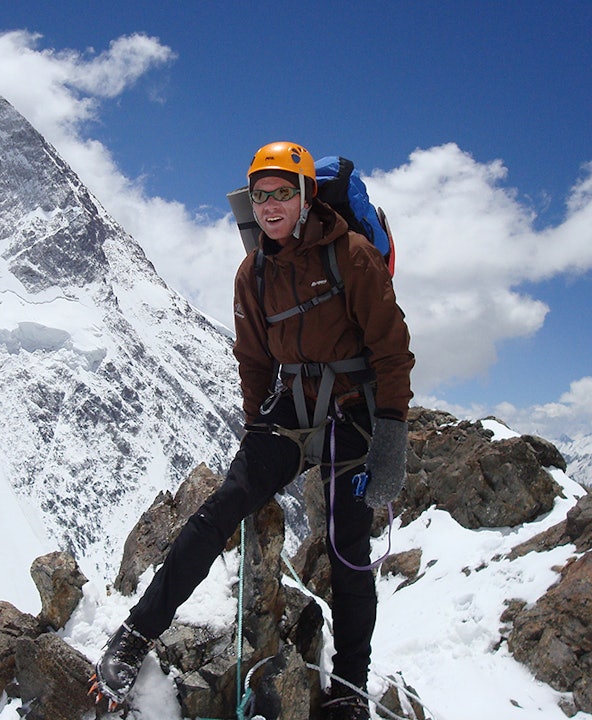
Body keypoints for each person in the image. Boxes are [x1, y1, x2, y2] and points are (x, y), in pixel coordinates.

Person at [91, 141, 414, 720]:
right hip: (288, 406)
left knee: (346, 545)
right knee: (223, 507)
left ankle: (350, 686)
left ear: (306, 194)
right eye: (261, 194)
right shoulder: (254, 272)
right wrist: (255, 430)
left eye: (283, 192)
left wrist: (391, 436)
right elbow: (253, 361)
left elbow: (392, 351)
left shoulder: (354, 255)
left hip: (351, 409)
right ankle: (136, 633)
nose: (270, 205)